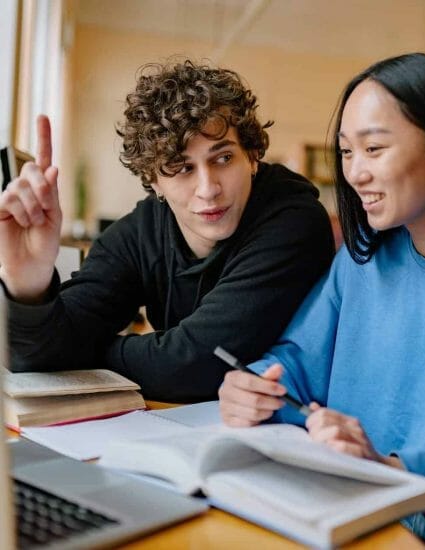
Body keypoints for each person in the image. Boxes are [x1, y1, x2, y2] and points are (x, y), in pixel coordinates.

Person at [218, 53, 425, 548]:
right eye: (347, 152)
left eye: (373, 148)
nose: (353, 173)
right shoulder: (361, 262)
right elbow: (295, 363)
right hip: (345, 522)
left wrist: (395, 473)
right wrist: (256, 388)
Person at [0, 60, 335, 402]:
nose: (208, 188)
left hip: (300, 429)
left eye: (223, 159)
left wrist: (76, 353)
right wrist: (28, 284)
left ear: (251, 157)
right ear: (153, 180)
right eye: (181, 168)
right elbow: (36, 354)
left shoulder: (294, 221)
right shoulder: (141, 231)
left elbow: (195, 366)